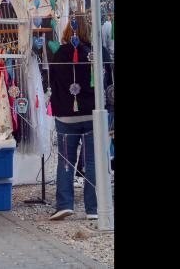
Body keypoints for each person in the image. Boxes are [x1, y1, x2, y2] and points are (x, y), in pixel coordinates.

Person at [48, 14, 112, 221]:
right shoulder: (98, 52)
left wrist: (57, 109)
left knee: (66, 161)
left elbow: (54, 86)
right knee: (93, 162)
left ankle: (64, 204)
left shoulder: (58, 54)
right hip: (93, 115)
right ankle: (93, 208)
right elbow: (107, 84)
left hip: (66, 116)